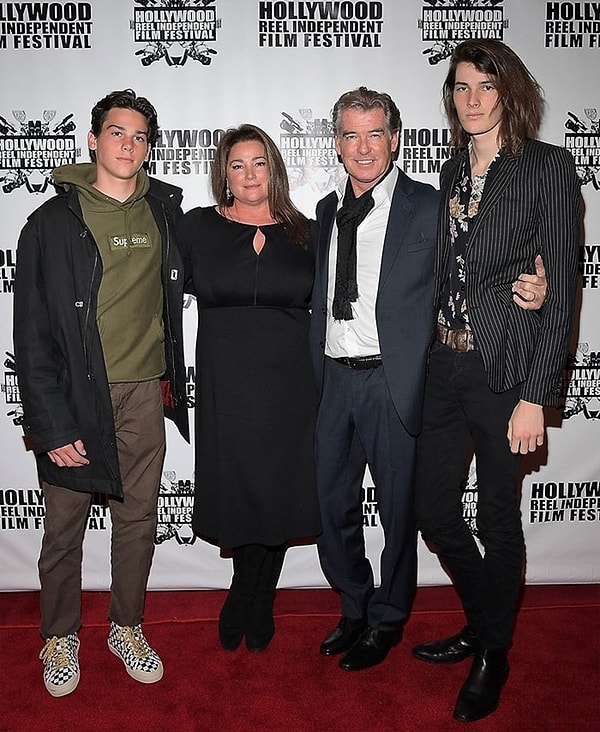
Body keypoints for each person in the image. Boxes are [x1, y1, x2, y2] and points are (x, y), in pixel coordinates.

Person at [309, 86, 548, 674]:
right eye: (351, 135)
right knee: (332, 506)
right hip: (334, 379)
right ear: (336, 143)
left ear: (395, 139)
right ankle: (354, 605)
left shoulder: (430, 204)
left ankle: (387, 619)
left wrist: (534, 284)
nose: (364, 147)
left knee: (399, 514)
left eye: (375, 134)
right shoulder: (325, 210)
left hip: (394, 382)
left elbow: (476, 265)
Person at [411, 41, 580, 722]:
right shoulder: (451, 169)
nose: (473, 99)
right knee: (432, 509)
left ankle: (492, 654)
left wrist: (536, 395)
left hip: (504, 372)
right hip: (443, 365)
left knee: (497, 516)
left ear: (510, 93)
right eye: (461, 87)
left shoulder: (547, 167)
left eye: (486, 86)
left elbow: (562, 293)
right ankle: (489, 623)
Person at [13, 89, 189, 697]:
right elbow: (31, 332)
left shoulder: (164, 211)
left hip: (144, 393)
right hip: (74, 395)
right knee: (64, 526)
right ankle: (60, 635)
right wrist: (50, 423)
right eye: (117, 133)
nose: (128, 146)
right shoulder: (50, 222)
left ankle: (126, 625)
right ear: (92, 140)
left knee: (137, 519)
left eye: (140, 137)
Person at [177, 124, 321, 653]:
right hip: (227, 385)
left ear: (274, 168)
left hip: (292, 386)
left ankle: (260, 597)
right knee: (239, 488)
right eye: (237, 165)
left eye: (259, 162)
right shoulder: (196, 228)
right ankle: (243, 589)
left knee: (279, 488)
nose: (250, 174)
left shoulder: (309, 232)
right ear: (224, 175)